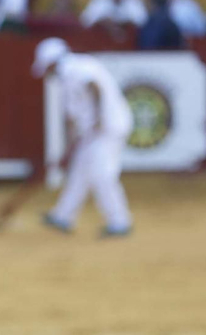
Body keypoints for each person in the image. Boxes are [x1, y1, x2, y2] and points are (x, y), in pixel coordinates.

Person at [33, 38, 132, 238]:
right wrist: (70, 144)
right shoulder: (69, 73)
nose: (47, 73)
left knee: (101, 174)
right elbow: (72, 116)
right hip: (95, 130)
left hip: (107, 128)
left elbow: (94, 86)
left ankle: (120, 222)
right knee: (80, 172)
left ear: (53, 61)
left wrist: (98, 117)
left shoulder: (75, 67)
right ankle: (63, 216)